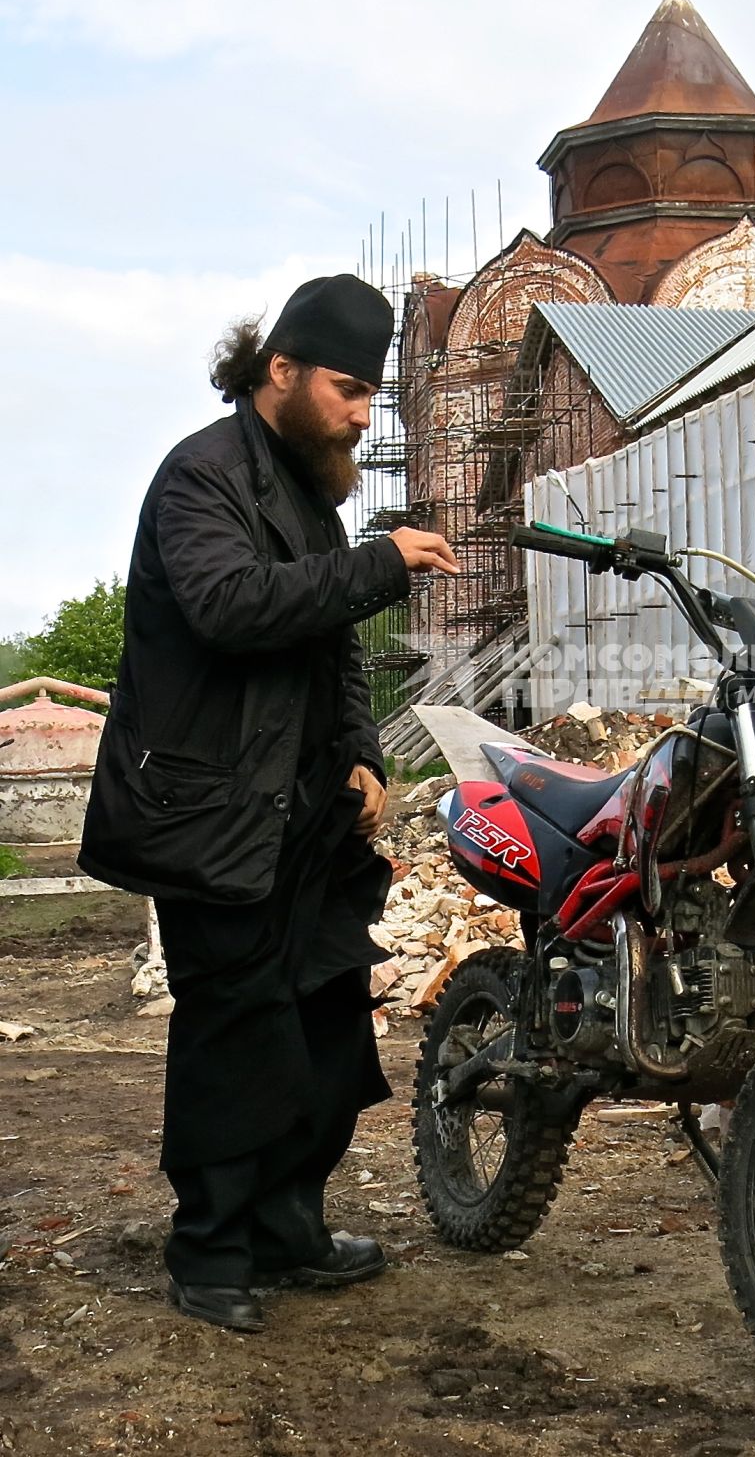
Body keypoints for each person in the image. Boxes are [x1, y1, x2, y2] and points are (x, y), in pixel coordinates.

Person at [80, 274, 458, 1333]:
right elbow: (231, 606)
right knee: (235, 1029)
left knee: (326, 1017)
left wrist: (364, 753)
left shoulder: (308, 490)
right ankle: (208, 1249)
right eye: (347, 388)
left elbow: (331, 651)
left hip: (302, 815)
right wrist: (380, 564)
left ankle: (289, 1222)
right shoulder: (200, 478)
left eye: (370, 395)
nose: (360, 414)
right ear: (278, 370)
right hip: (207, 815)